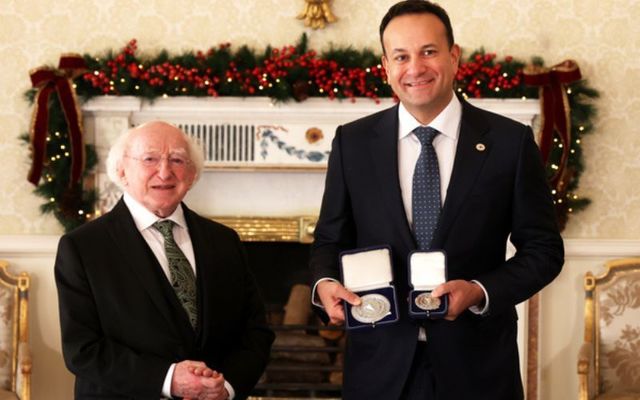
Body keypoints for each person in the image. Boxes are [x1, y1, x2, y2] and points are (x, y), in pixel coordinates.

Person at [309, 1, 564, 399]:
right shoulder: (353, 143)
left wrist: (479, 290)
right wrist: (325, 283)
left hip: (478, 369)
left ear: (454, 56)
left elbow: (544, 250)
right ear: (386, 66)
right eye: (401, 56)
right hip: (380, 369)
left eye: (428, 52)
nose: (415, 68)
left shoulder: (509, 144)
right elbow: (329, 239)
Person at [55, 121, 274, 400]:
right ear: (121, 171)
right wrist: (169, 380)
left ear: (192, 174)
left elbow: (255, 331)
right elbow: (82, 349)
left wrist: (227, 388)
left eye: (177, 159)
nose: (164, 171)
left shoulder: (224, 240)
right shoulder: (82, 247)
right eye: (150, 159)